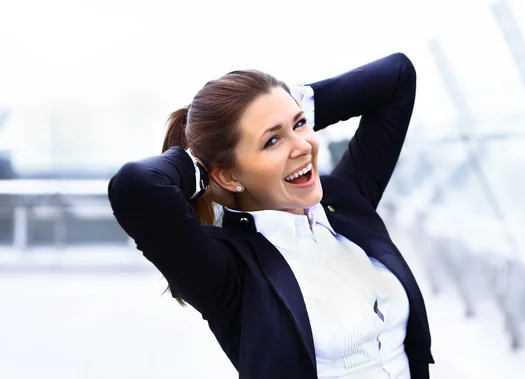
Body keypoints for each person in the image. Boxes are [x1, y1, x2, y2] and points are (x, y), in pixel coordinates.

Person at [108, 52, 434, 379]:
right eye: (272, 141)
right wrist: (201, 164)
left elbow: (397, 76)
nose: (303, 146)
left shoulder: (344, 205)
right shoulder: (230, 270)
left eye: (300, 123)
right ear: (228, 177)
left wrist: (285, 107)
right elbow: (135, 186)